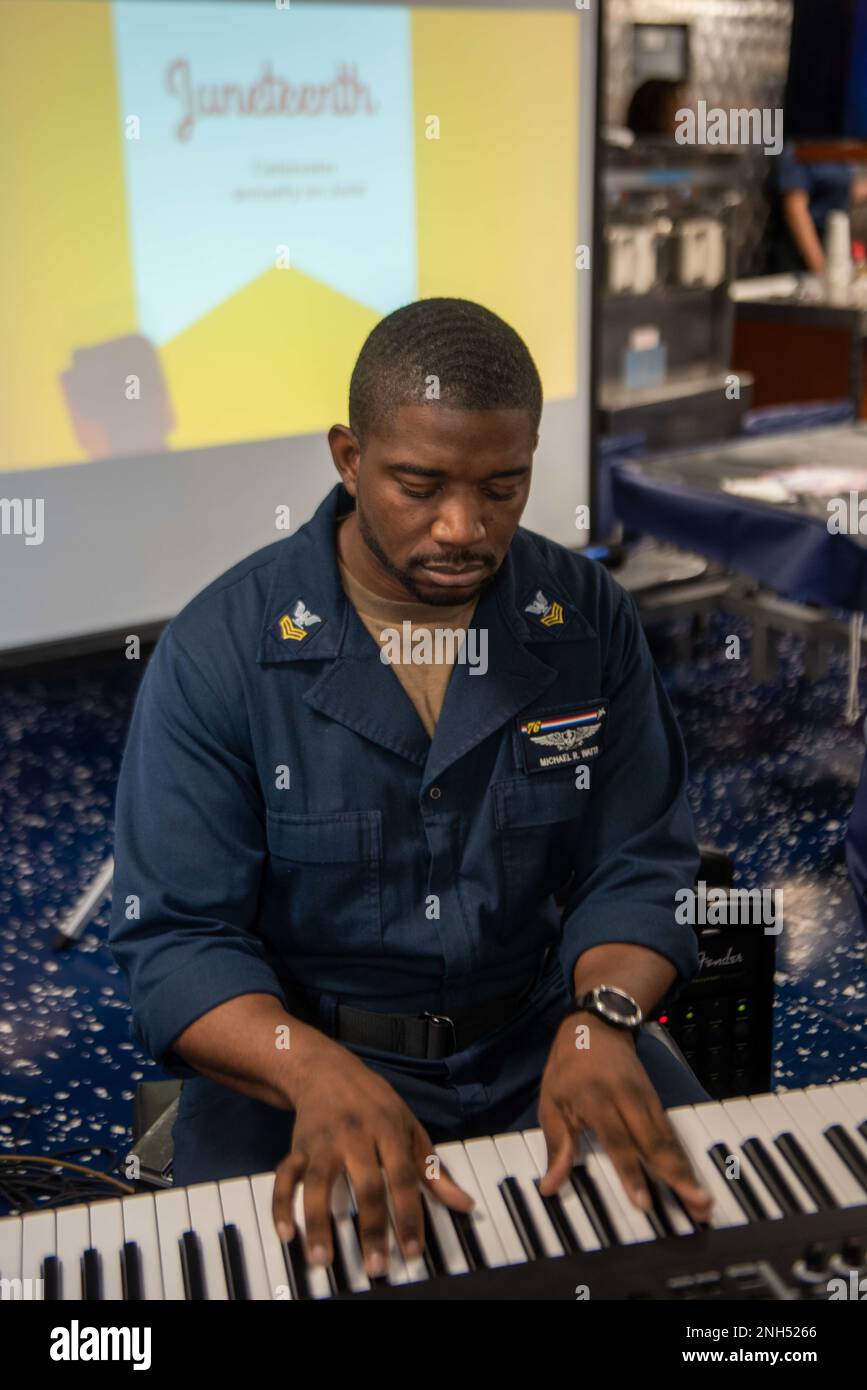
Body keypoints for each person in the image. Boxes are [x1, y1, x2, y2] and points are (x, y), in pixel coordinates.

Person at [109, 297, 712, 1277]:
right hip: (301, 1067)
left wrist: (604, 1018)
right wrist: (311, 1070)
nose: (464, 527)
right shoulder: (220, 650)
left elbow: (640, 862)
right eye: (419, 484)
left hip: (545, 1033)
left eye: (503, 487)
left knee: (718, 1258)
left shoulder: (584, 617)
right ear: (349, 456)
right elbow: (177, 940)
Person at [764, 142, 867, 273]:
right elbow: (796, 210)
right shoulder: (797, 150)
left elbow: (840, 192)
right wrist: (820, 267)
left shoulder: (835, 150)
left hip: (833, 237)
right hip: (801, 250)